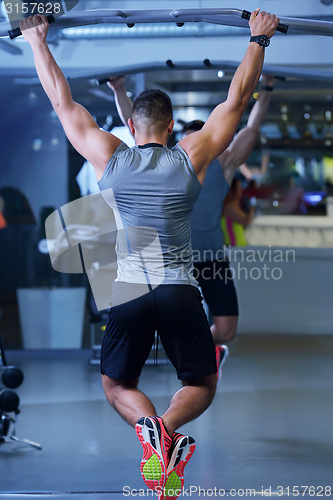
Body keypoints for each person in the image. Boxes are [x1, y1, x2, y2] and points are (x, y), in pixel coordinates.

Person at [20, 10, 279, 499]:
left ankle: (151, 433)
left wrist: (37, 41)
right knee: (202, 383)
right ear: (171, 125)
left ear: (131, 126)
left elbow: (61, 100)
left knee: (117, 387)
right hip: (181, 290)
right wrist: (258, 40)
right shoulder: (190, 157)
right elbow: (237, 100)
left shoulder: (109, 158)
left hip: (129, 292)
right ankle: (166, 429)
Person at [108, 74, 277, 381]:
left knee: (226, 330)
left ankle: (204, 348)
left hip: (210, 259)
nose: (191, 144)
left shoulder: (221, 164)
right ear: (176, 137)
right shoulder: (171, 163)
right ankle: (185, 351)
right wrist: (119, 90)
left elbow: (250, 128)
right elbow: (139, 125)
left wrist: (266, 89)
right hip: (171, 267)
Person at [221, 177, 255, 246]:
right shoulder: (229, 207)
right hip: (233, 247)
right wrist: (251, 208)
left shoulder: (233, 206)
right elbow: (246, 222)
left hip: (238, 247)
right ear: (232, 189)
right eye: (239, 187)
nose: (241, 189)